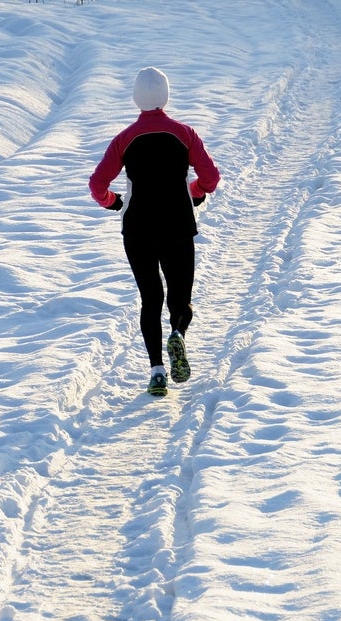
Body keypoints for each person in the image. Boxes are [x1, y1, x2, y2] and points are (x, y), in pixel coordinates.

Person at [89, 67, 220, 397]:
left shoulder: (125, 139)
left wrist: (113, 202)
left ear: (136, 98)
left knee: (151, 299)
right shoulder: (184, 134)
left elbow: (97, 184)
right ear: (166, 95)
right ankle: (178, 333)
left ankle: (157, 372)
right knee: (180, 298)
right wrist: (195, 191)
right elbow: (211, 178)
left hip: (138, 228)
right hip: (177, 223)